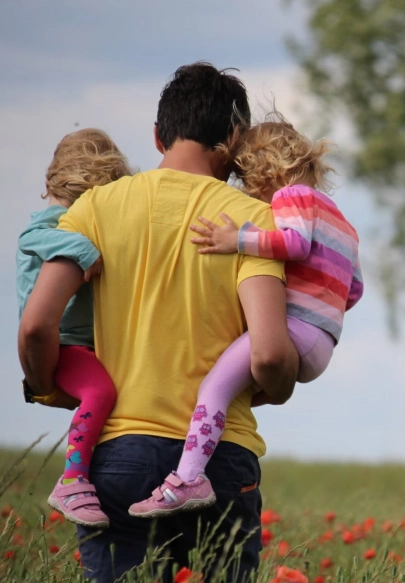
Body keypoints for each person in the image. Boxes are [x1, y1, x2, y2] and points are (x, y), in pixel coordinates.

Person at [18, 62, 298, 583]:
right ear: (235, 140)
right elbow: (270, 354)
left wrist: (46, 386)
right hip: (219, 460)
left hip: (118, 455)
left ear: (157, 136)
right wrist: (275, 389)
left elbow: (36, 326)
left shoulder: (93, 209)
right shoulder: (253, 222)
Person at [129, 116, 363, 517]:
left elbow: (294, 244)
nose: (250, 192)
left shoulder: (292, 196)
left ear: (266, 170)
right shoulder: (342, 221)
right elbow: (354, 290)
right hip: (323, 341)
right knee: (235, 391)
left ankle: (188, 479)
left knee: (213, 389)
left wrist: (236, 239)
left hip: (294, 329)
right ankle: (201, 456)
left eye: (248, 180)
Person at [17, 129, 132, 528]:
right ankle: (72, 479)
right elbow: (32, 238)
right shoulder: (53, 223)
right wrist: (83, 249)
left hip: (82, 344)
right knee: (100, 392)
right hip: (64, 344)